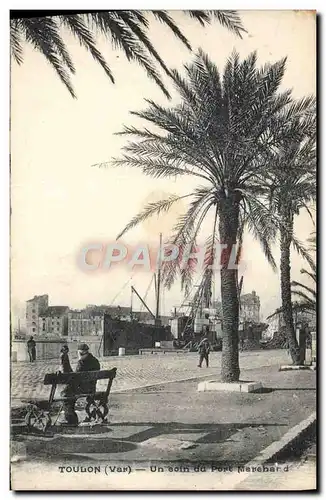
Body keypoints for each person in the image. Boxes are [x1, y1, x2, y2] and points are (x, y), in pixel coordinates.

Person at [61, 343, 100, 426]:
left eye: (79, 353)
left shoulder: (81, 363)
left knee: (65, 394)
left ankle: (71, 419)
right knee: (68, 392)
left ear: (80, 353)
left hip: (81, 389)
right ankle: (70, 417)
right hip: (91, 388)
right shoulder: (95, 361)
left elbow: (75, 377)